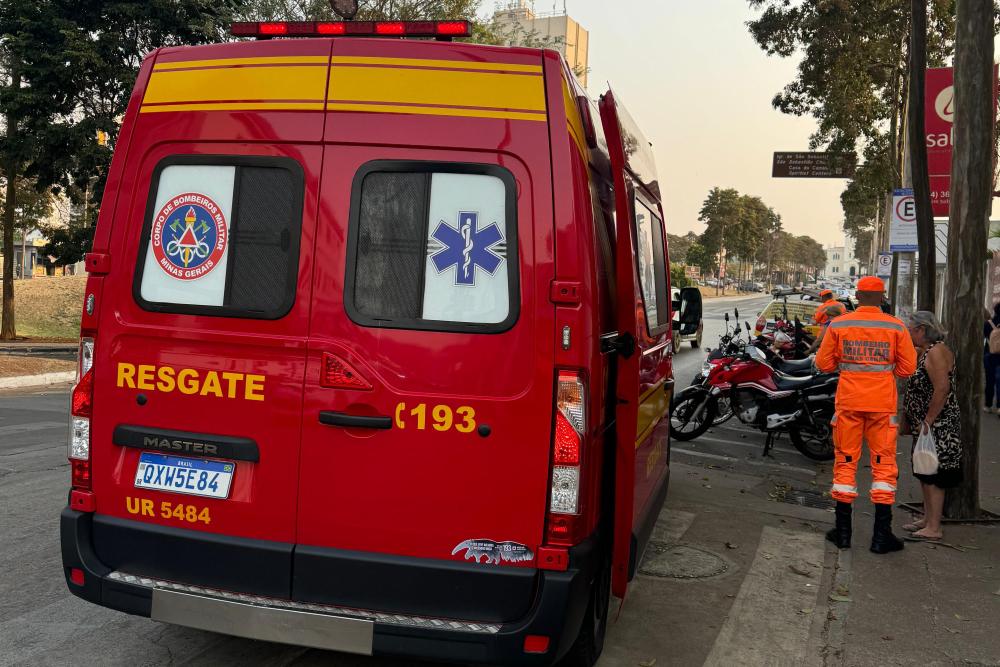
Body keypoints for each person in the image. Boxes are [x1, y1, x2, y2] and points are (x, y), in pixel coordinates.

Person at [816, 276, 917, 554]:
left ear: (858, 296)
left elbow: (823, 364)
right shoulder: (895, 326)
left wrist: (847, 364)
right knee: (884, 467)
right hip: (882, 406)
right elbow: (907, 369)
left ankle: (843, 533)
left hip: (849, 403)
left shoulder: (839, 324)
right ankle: (881, 536)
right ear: (882, 297)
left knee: (845, 463)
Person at [901, 311, 961, 541]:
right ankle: (928, 519)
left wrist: (928, 420)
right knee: (924, 471)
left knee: (933, 474)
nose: (909, 333)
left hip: (937, 424)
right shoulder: (926, 351)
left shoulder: (936, 352)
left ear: (922, 330)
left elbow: (942, 389)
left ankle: (934, 526)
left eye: (911, 330)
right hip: (926, 424)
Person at [985, 304, 1000, 414]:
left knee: (989, 381)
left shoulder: (988, 324)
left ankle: (988, 405)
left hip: (989, 355)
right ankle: (999, 407)